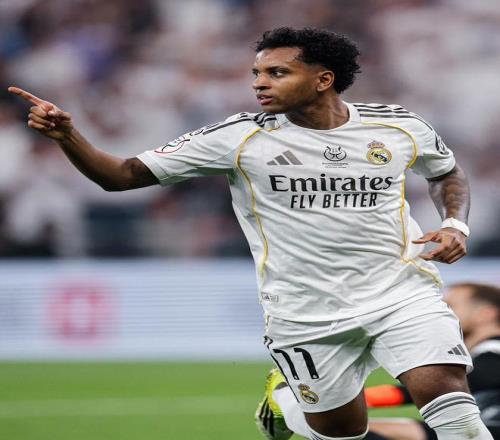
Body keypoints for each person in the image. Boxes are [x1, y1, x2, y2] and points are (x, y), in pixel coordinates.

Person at [8, 27, 492, 439]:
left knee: (448, 397)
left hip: (401, 293)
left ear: (323, 79)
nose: (260, 82)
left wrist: (454, 223)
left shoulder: (399, 127)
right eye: (257, 73)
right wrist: (68, 136)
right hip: (306, 312)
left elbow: (446, 172)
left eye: (277, 73)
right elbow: (121, 176)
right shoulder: (238, 138)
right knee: (342, 433)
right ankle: (288, 405)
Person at [366, 282, 500, 440]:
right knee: (357, 429)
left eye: (449, 306)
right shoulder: (478, 354)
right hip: (479, 431)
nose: (439, 313)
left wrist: (369, 397)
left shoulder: (494, 350)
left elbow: (450, 384)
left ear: (486, 314)